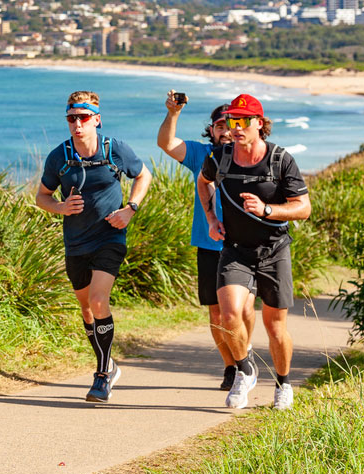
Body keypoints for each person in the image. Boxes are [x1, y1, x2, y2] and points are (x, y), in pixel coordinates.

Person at [36, 91, 152, 403]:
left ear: (96, 120)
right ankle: (108, 364)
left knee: (99, 302)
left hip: (109, 237)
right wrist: (60, 208)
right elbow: (42, 196)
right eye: (71, 119)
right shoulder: (59, 156)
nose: (77, 124)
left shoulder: (114, 149)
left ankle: (102, 374)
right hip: (75, 243)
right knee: (86, 308)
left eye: (83, 118)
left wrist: (131, 209)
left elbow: (143, 175)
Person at [198, 94, 311, 411]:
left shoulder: (280, 160)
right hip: (235, 250)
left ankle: (283, 383)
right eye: (231, 121)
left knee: (275, 328)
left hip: (275, 251)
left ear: (259, 124)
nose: (236, 127)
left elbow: (303, 208)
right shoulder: (220, 157)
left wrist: (267, 209)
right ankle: (245, 369)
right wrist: (211, 218)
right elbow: (203, 182)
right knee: (228, 315)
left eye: (243, 121)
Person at [156, 93, 256, 390]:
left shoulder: (251, 155)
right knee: (216, 312)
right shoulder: (203, 155)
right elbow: (166, 143)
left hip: (244, 245)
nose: (227, 130)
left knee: (245, 310)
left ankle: (245, 357)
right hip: (209, 244)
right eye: (220, 125)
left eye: (233, 123)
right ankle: (232, 365)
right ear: (211, 130)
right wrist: (173, 113)